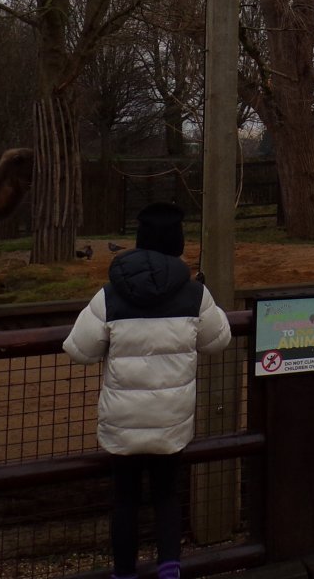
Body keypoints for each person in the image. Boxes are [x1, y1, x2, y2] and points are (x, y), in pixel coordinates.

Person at [64, 203, 233, 579]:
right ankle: (169, 567)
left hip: (123, 418)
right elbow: (219, 339)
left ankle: (124, 571)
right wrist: (207, 298)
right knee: (166, 494)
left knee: (124, 497)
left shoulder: (108, 295)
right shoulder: (194, 295)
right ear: (178, 243)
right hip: (171, 417)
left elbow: (79, 349)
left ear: (139, 242)